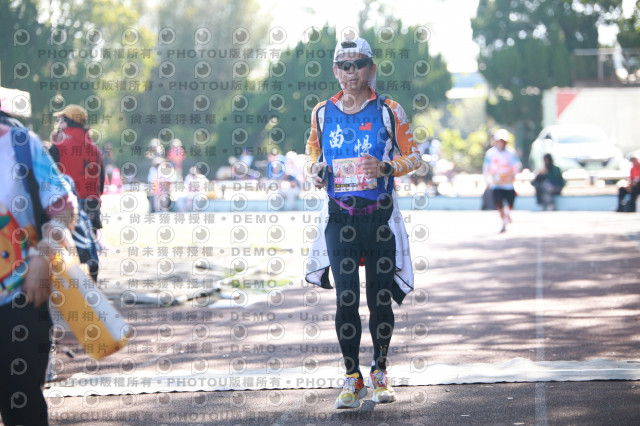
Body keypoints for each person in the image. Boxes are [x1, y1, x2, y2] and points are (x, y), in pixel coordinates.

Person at [304, 37, 421, 409]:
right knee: (346, 298)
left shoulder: (389, 110)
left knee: (380, 300)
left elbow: (415, 157)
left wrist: (385, 167)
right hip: (340, 218)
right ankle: (352, 377)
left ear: (372, 68)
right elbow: (312, 153)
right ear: (335, 70)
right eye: (344, 65)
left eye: (358, 64)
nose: (351, 71)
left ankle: (380, 371)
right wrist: (315, 171)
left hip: (380, 219)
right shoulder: (322, 113)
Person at [1, 123, 77, 425]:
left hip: (21, 299)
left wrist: (44, 255)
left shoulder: (20, 144)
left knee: (22, 406)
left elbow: (64, 207)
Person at [49, 105, 104, 233]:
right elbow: (101, 181)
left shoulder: (58, 147)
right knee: (89, 244)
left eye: (60, 120)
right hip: (92, 206)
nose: (58, 123)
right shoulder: (95, 149)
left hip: (67, 207)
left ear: (67, 121)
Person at [483, 129, 522, 232]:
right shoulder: (490, 154)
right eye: (499, 141)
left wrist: (513, 175)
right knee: (499, 204)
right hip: (497, 183)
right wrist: (487, 180)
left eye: (503, 141)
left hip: (508, 183)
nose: (501, 143)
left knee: (510, 202)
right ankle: (503, 222)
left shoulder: (511, 153)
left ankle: (507, 214)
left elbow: (516, 165)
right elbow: (486, 168)